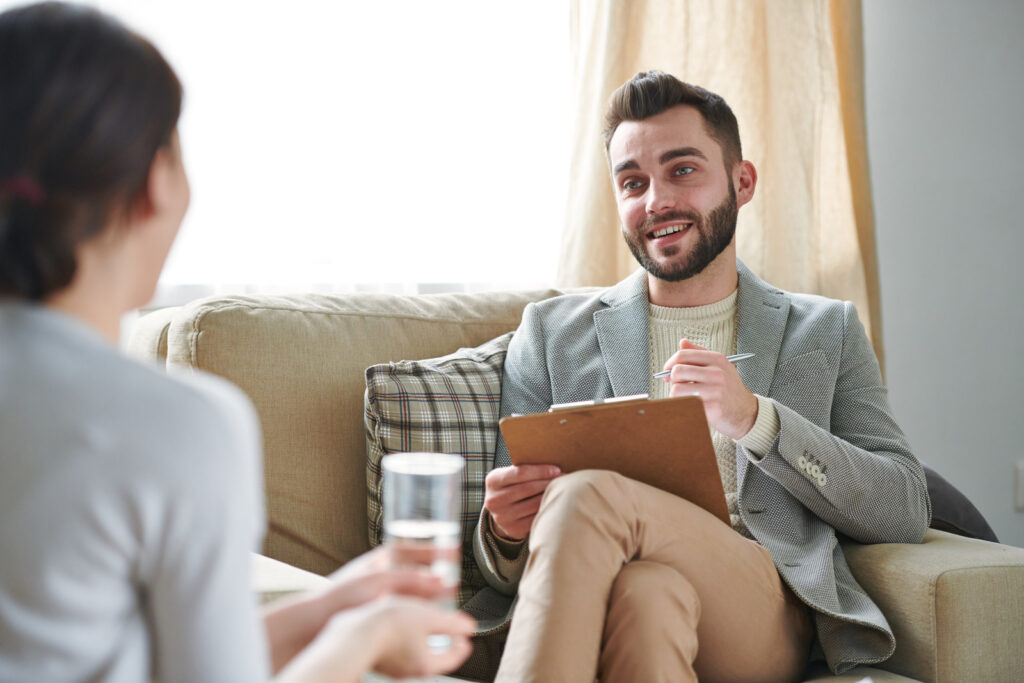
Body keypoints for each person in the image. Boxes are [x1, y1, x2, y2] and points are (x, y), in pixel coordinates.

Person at [0, 3, 474, 681]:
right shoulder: (176, 424)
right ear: (154, 186)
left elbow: (110, 651)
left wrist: (332, 606)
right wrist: (366, 638)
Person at [472, 71, 933, 682]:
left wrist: (755, 419)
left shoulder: (826, 330)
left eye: (682, 170)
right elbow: (506, 564)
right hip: (617, 596)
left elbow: (904, 506)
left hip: (762, 613)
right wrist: (503, 532)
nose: (655, 200)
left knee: (585, 494)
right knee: (648, 597)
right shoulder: (551, 332)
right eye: (632, 182)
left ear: (741, 183)